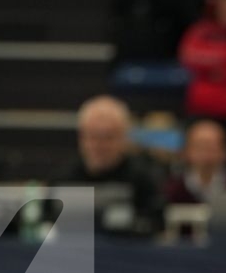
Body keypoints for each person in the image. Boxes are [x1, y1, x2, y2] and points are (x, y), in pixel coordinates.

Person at [61, 96, 165, 237]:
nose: (100, 145)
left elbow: (156, 224)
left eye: (108, 137)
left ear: (124, 138)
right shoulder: (64, 179)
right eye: (94, 136)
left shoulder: (143, 181)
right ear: (82, 138)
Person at [165, 119, 226, 205]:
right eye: (200, 148)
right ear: (186, 151)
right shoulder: (171, 190)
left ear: (225, 151)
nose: (206, 155)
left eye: (212, 148)